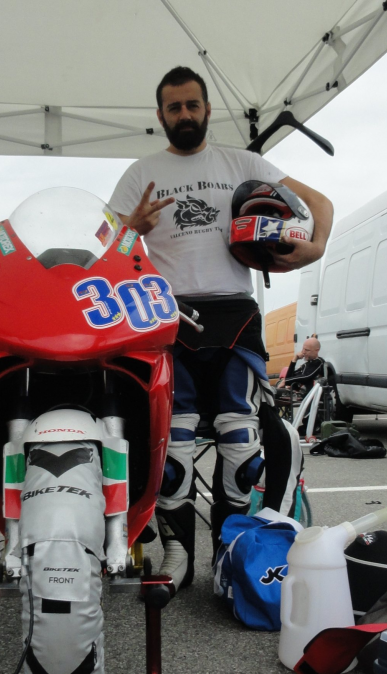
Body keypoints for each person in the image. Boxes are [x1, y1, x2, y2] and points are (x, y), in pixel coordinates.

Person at [109, 66, 333, 593]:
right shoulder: (141, 173)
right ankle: (177, 555)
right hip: (166, 316)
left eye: (192, 105)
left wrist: (315, 249)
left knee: (240, 439)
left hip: (236, 314)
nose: (184, 114)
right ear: (161, 115)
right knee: (174, 442)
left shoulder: (244, 163)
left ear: (207, 109)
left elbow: (320, 205)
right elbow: (103, 246)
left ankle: (230, 556)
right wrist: (131, 230)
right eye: (174, 107)